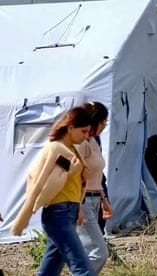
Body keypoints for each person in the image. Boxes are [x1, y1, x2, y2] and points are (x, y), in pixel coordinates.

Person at [12, 107, 96, 275]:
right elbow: (38, 179)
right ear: (70, 127)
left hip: (67, 211)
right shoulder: (56, 149)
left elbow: (75, 184)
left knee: (50, 269)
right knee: (82, 268)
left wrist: (78, 207)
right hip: (58, 212)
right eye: (84, 131)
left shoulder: (73, 150)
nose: (87, 136)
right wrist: (28, 210)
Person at [76, 102, 112, 274]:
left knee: (84, 252)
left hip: (94, 198)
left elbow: (97, 175)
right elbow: (74, 176)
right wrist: (79, 205)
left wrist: (104, 200)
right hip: (82, 201)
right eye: (103, 121)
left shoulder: (94, 141)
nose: (105, 125)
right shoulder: (81, 143)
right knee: (99, 252)